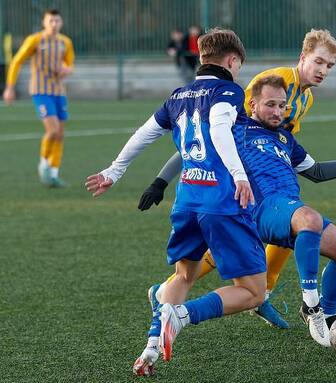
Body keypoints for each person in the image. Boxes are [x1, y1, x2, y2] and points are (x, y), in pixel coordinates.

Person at [137, 75, 336, 359]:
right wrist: (159, 182)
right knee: (309, 220)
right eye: (270, 104)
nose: (278, 111)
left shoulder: (284, 138)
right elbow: (188, 150)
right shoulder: (235, 127)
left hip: (288, 207)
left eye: (282, 105)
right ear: (252, 104)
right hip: (259, 206)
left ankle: (327, 317)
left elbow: (316, 172)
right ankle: (312, 306)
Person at [85, 28, 268, 376]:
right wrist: (240, 176)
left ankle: (152, 345)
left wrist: (114, 170)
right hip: (222, 203)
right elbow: (217, 128)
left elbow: (145, 133)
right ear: (232, 61)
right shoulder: (229, 91)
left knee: (183, 275)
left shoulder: (179, 95)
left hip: (186, 202)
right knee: (253, 292)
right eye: (239, 65)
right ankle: (183, 315)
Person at [140, 29, 336, 329]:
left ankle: (261, 296)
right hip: (233, 174)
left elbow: (282, 143)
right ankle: (169, 290)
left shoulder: (306, 98)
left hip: (264, 176)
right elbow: (211, 134)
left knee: (287, 227)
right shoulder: (275, 82)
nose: (323, 70)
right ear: (303, 58)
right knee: (238, 235)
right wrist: (162, 179)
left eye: (329, 66)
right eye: (319, 62)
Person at [3, 9, 75, 187]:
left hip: (59, 91)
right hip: (41, 91)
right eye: (50, 21)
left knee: (60, 134)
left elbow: (70, 63)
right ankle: (43, 164)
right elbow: (17, 61)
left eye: (57, 21)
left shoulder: (65, 42)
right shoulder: (35, 40)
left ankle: (53, 174)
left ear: (61, 23)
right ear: (44, 22)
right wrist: (10, 87)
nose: (54, 24)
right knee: (52, 131)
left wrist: (67, 69)